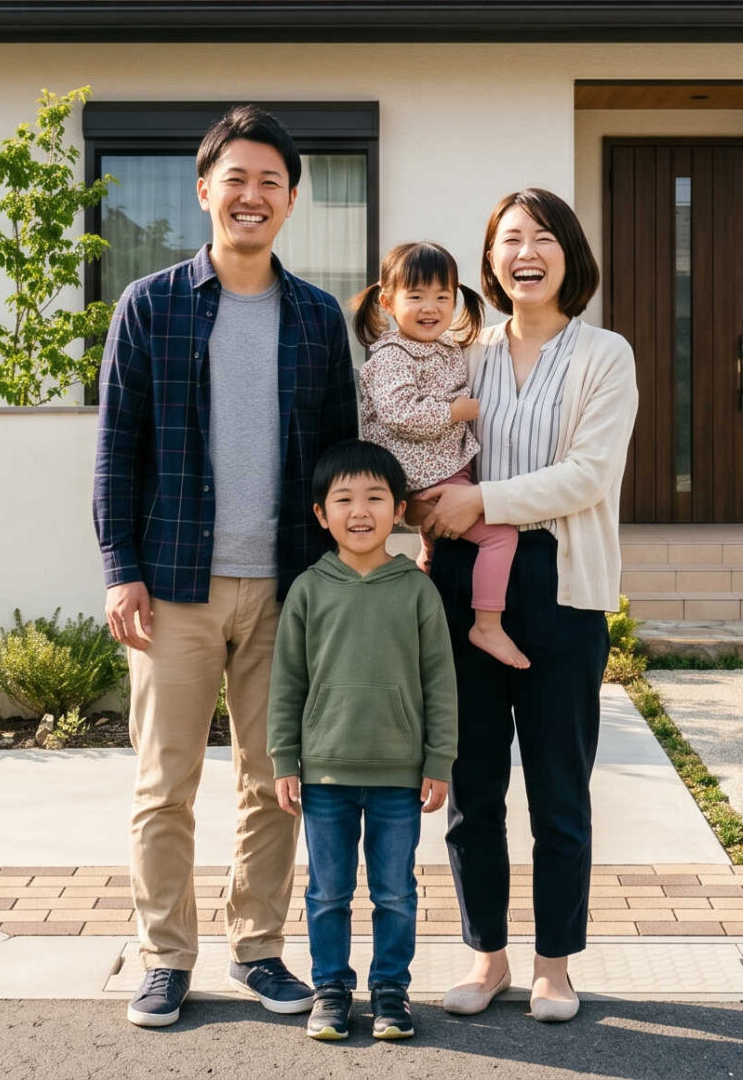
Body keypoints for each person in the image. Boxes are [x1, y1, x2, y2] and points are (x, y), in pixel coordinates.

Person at [93, 105, 359, 1029]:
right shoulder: (151, 305)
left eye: (269, 182)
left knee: (273, 779)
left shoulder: (318, 317)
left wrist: (339, 579)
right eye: (235, 179)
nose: (252, 195)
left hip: (287, 588)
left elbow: (339, 462)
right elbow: (116, 450)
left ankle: (258, 948)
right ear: (205, 190)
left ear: (291, 200)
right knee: (164, 783)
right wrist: (121, 567)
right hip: (173, 587)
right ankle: (165, 957)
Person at [412, 187, 637, 1025]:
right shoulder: (462, 351)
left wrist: (483, 501)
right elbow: (421, 439)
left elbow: (589, 474)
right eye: (509, 239)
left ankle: (553, 965)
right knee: (473, 785)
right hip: (462, 579)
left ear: (570, 254)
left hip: (560, 585)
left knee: (557, 788)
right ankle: (488, 955)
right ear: (491, 260)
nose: (525, 252)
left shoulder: (604, 354)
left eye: (542, 237)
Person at [269, 440, 457, 1043]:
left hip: (400, 776)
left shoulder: (417, 590)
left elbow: (440, 682)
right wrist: (284, 759)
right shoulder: (308, 589)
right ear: (321, 514)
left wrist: (439, 760)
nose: (360, 511)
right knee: (328, 891)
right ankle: (330, 990)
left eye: (375, 498)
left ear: (398, 510)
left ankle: (390, 991)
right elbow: (287, 682)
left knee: (395, 891)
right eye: (344, 499)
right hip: (325, 774)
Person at [350, 241, 529, 670]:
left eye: (442, 296)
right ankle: (487, 624)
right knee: (501, 537)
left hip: (446, 472)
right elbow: (399, 413)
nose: (430, 307)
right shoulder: (393, 355)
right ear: (388, 302)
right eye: (416, 296)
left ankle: (420, 607)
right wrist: (455, 412)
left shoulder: (448, 346)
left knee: (433, 551)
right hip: (423, 478)